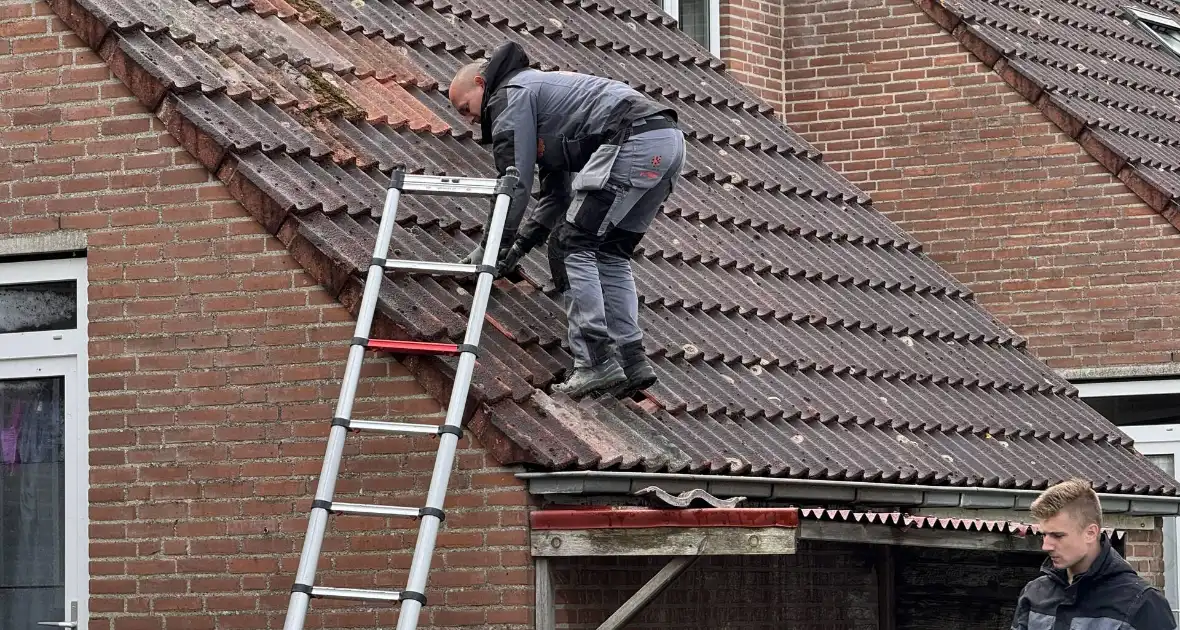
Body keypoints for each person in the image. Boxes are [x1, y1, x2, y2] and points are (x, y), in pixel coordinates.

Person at [447, 41, 686, 399]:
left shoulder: (508, 97)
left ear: (482, 83)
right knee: (608, 252)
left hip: (631, 140)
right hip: (666, 141)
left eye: (466, 109)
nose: (470, 121)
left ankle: (595, 362)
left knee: (572, 244)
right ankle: (631, 360)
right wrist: (516, 251)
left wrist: (490, 248)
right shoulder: (544, 101)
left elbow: (515, 182)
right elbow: (555, 196)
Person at [1011, 478, 1176, 630]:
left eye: (1057, 535)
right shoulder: (1034, 594)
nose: (1046, 546)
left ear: (1090, 533)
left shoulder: (1143, 603)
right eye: (1044, 534)